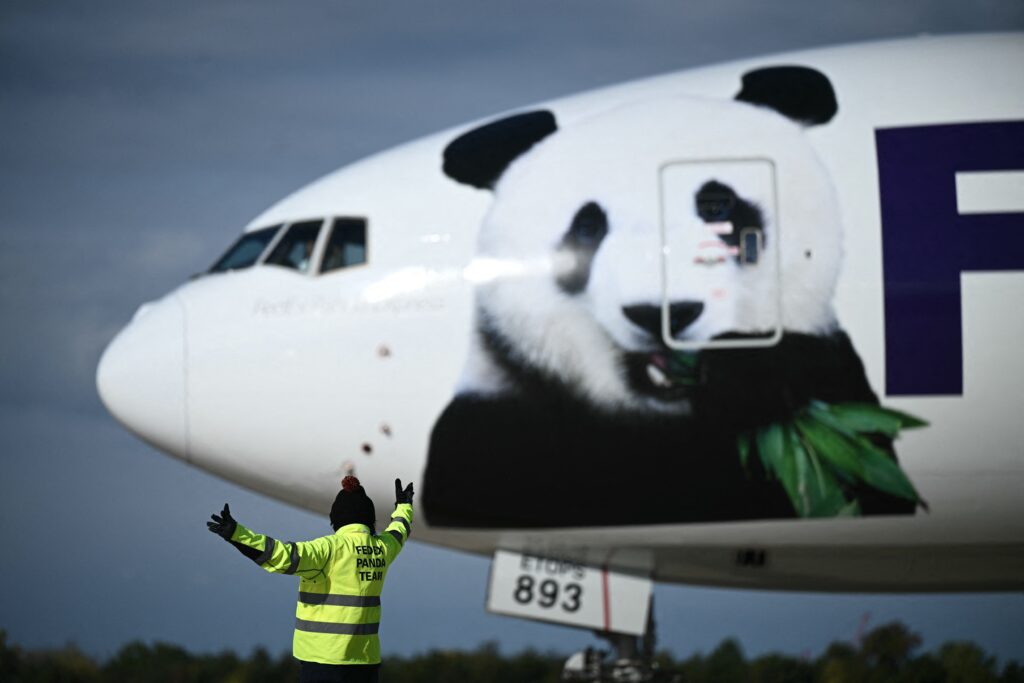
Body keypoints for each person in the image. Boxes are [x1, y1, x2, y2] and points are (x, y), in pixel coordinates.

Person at [207, 476, 414, 683]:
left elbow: (279, 556)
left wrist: (237, 535)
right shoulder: (382, 548)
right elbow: (399, 531)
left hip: (322, 663)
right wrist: (404, 507)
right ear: (369, 518)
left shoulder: (329, 549)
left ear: (336, 518)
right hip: (365, 662)